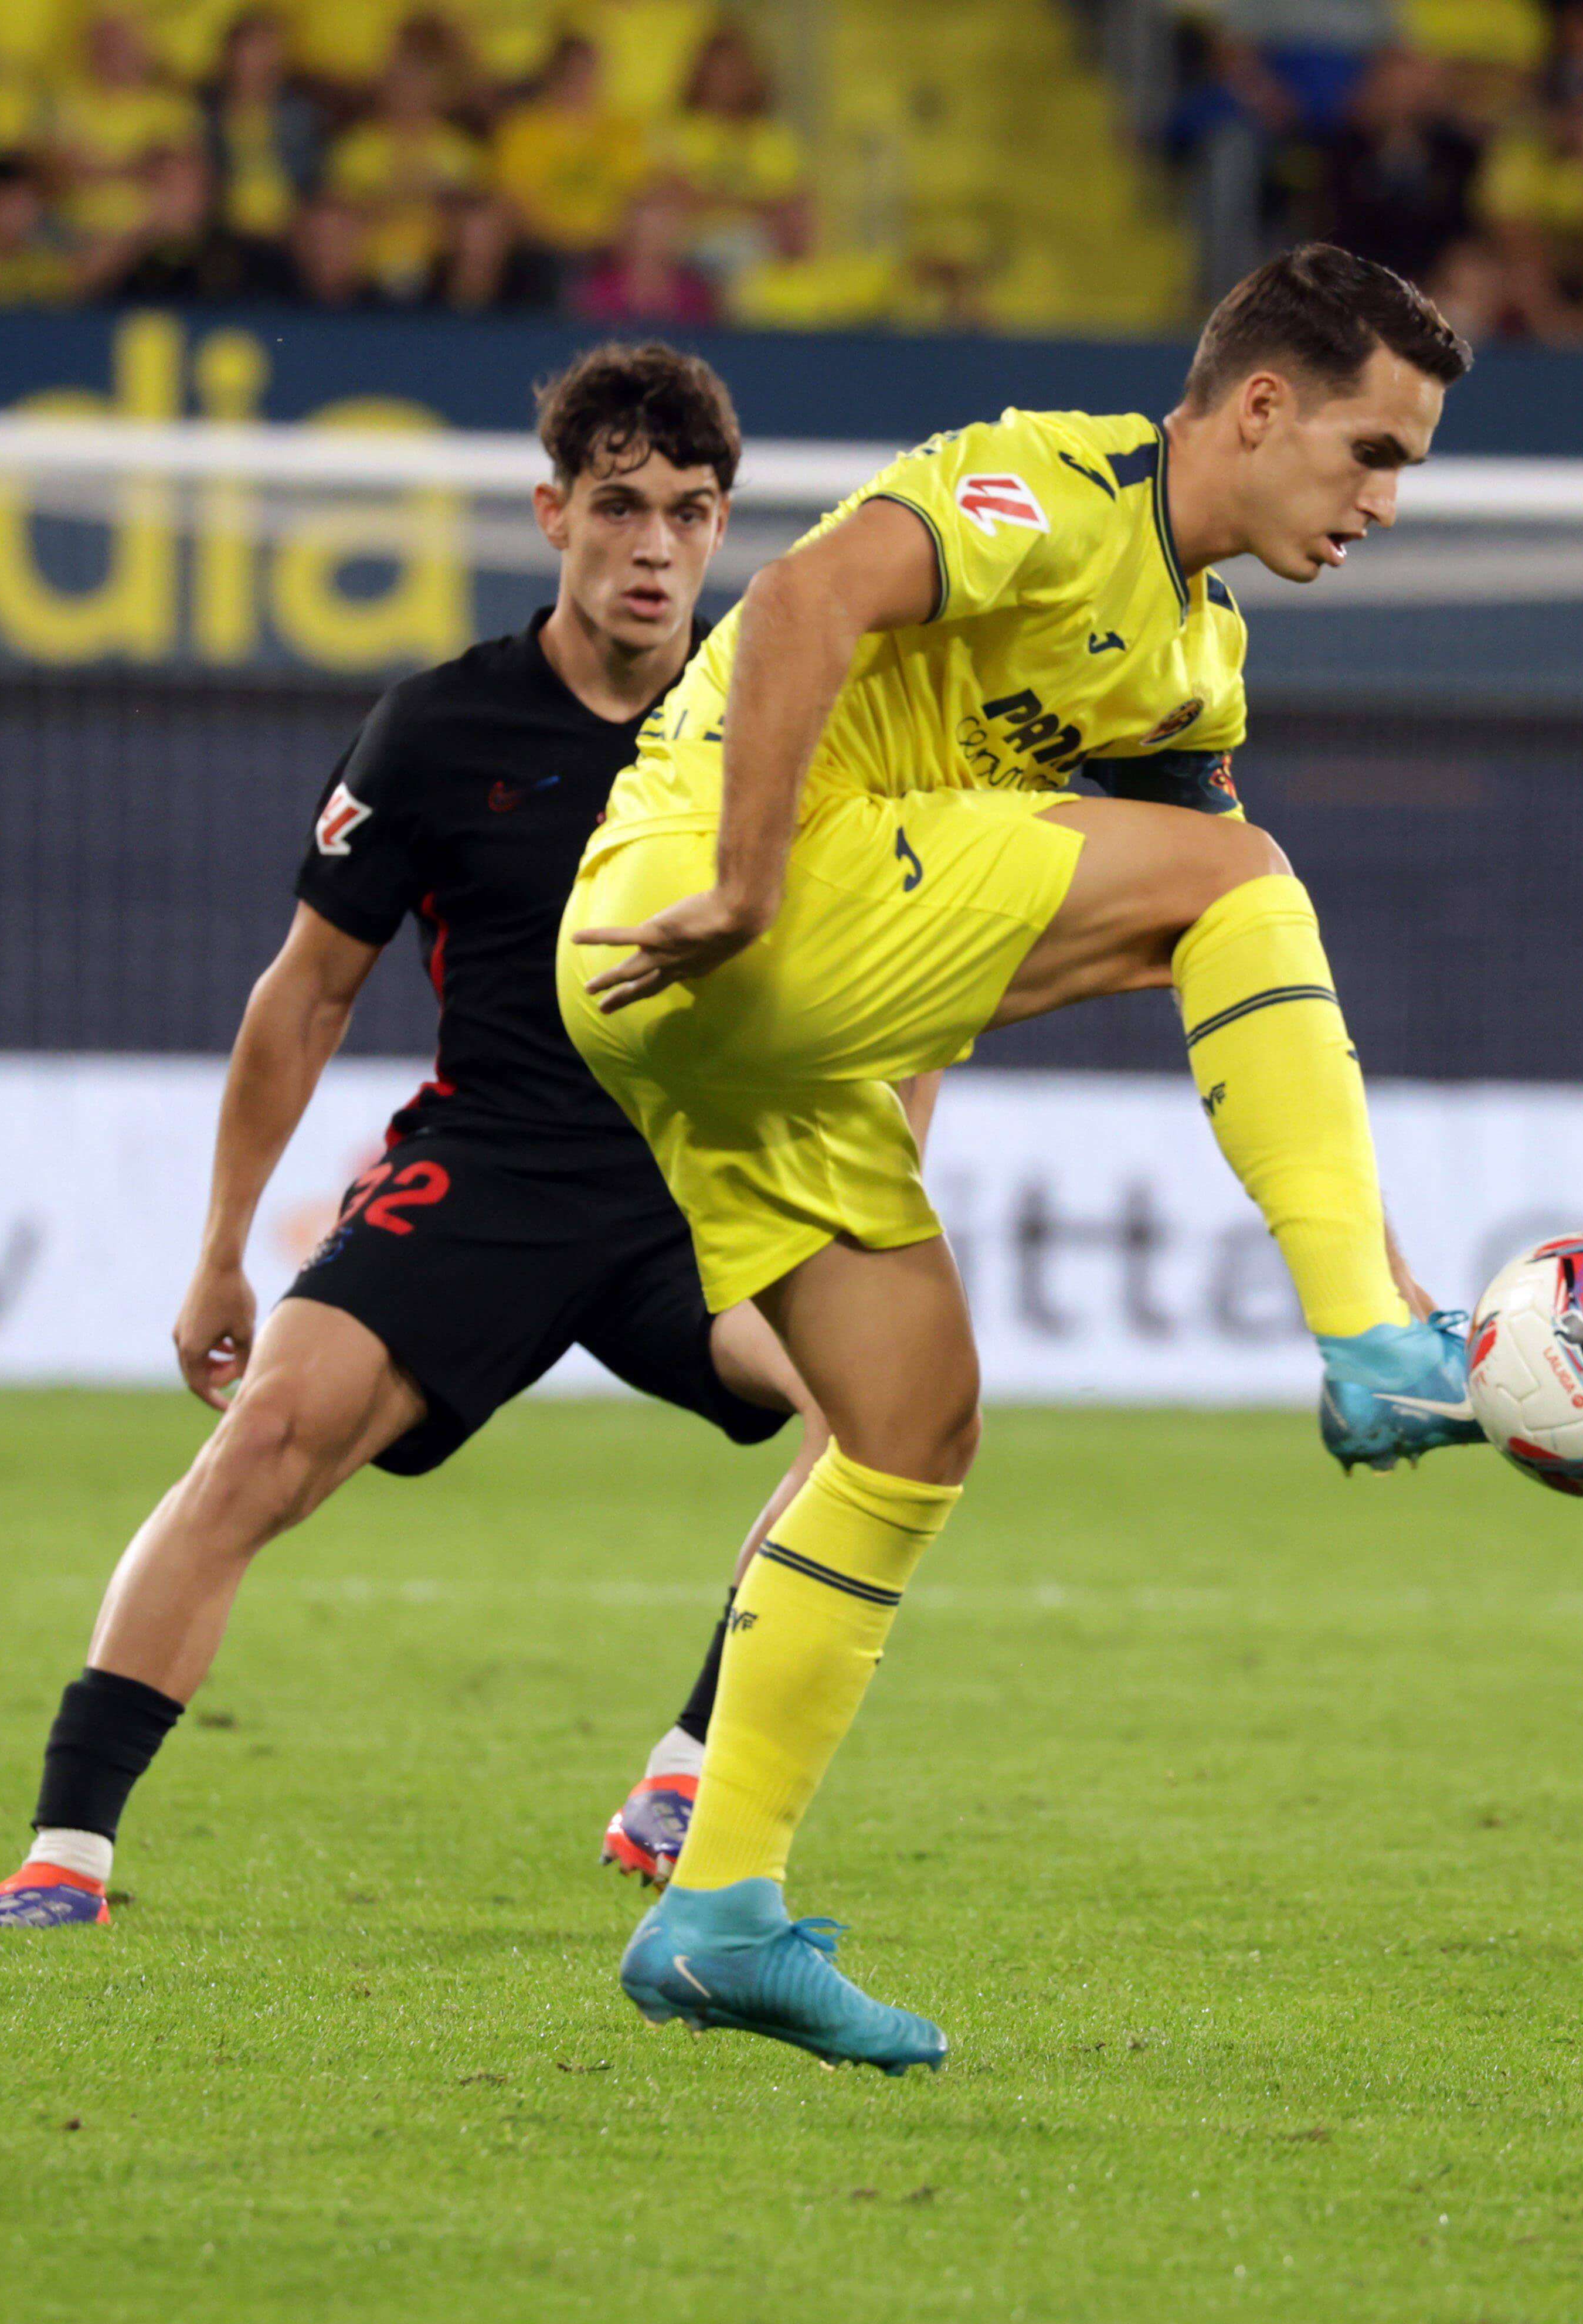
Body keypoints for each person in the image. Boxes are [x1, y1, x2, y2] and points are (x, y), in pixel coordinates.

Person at [558, 244, 1479, 2074]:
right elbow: (812, 599)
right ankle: (1364, 1332)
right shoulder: (1055, 485)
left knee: (911, 1428)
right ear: (1264, 405)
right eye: (1371, 451)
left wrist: (1390, 1256)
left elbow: (1208, 950)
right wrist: (743, 886)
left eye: (1410, 472)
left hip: (756, 1020)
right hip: (707, 902)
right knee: (1243, 875)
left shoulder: (1197, 660)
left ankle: (719, 1908)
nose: (1384, 501)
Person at [0, 345, 827, 1928]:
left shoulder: (780, 725)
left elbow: (898, 975)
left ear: (721, 525)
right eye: (619, 507)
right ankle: (62, 1861)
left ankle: (695, 1766)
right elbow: (305, 997)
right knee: (264, 1439)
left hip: (695, 1187)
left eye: (690, 513)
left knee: (880, 1406)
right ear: (553, 513)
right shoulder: (435, 729)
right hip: (489, 1168)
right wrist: (221, 1252)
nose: (654, 548)